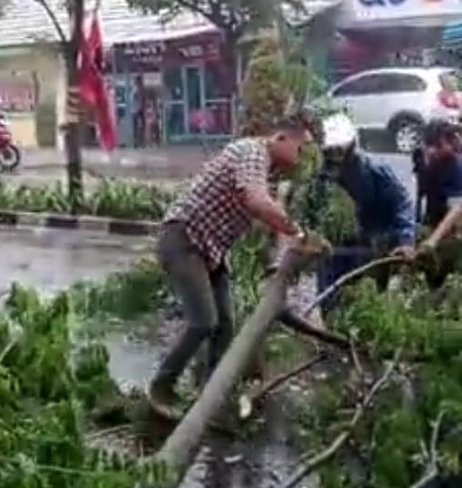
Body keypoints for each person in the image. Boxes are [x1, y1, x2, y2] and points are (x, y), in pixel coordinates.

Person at [148, 117, 318, 418]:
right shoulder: (253, 152)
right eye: (300, 147)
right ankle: (161, 388)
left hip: (210, 252)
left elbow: (273, 216)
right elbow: (256, 202)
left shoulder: (270, 172)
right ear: (280, 138)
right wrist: (298, 232)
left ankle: (211, 394)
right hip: (184, 239)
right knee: (204, 322)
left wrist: (283, 256)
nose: (301, 156)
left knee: (225, 323)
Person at [312, 113, 416, 310]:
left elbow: (402, 204)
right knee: (330, 301)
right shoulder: (320, 178)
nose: (336, 158)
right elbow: (311, 212)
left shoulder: (376, 171)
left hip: (372, 247)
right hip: (334, 251)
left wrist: (406, 241)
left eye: (339, 151)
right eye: (330, 152)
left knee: (367, 304)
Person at [414, 119, 462, 289]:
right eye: (430, 145)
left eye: (439, 145)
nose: (433, 150)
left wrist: (433, 240)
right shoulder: (422, 156)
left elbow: (457, 209)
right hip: (433, 216)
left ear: (452, 142)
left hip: (452, 225)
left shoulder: (454, 165)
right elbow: (422, 193)